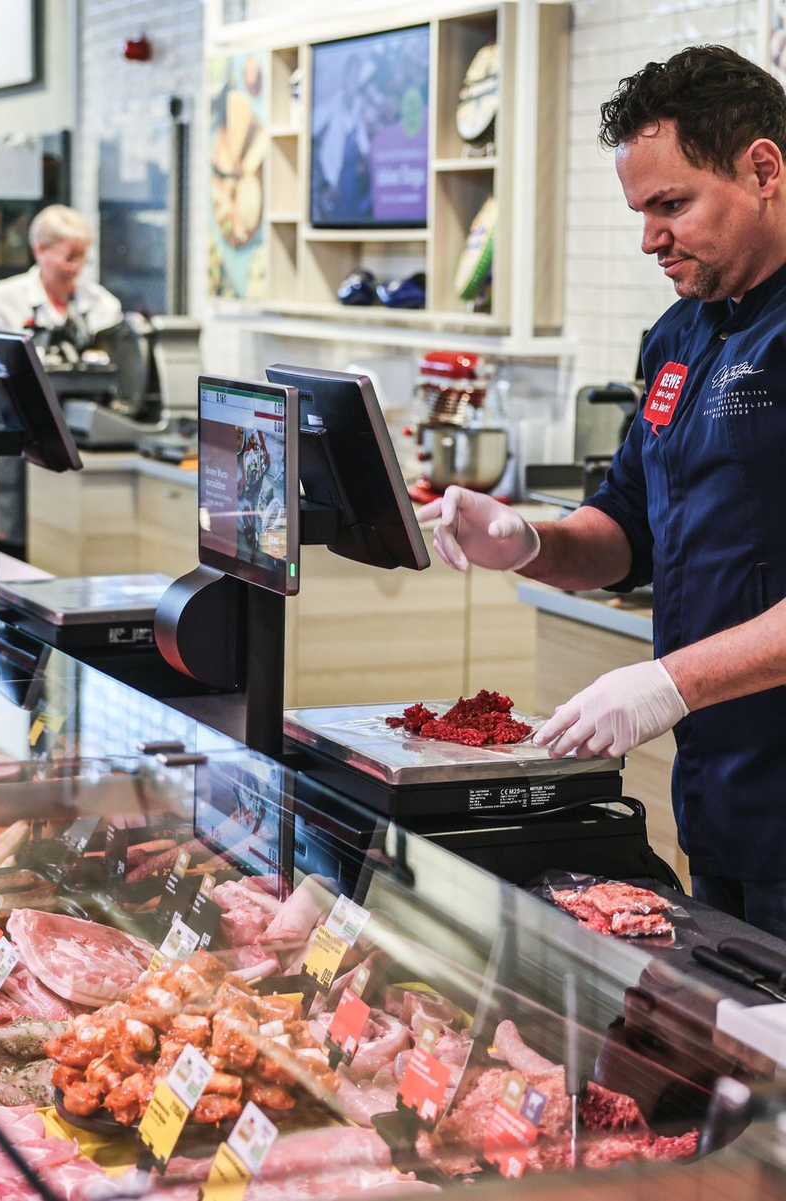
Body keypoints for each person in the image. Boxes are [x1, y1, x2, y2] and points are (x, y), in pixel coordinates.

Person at [419, 45, 786, 939]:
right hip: (719, 798)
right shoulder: (678, 334)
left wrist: (669, 681)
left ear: (764, 169)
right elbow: (626, 526)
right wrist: (530, 543)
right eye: (641, 210)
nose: (650, 237)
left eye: (673, 205)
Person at [0, 204, 122, 344]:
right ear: (40, 250)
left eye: (82, 258)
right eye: (69, 258)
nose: (76, 267)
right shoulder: (1, 301)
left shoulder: (103, 304)